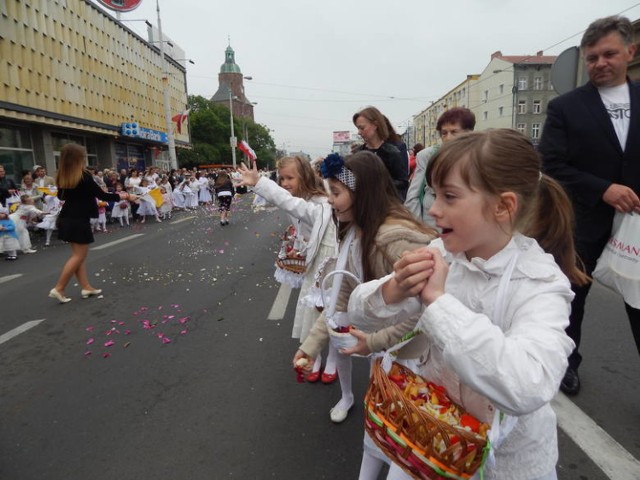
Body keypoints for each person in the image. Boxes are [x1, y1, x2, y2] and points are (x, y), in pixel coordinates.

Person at [348, 129, 588, 479]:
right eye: (433, 194)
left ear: (503, 206)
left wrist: (438, 303)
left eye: (449, 196)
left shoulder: (541, 283)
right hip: (428, 441)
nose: (433, 210)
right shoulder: (440, 253)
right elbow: (359, 314)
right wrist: (393, 290)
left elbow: (527, 384)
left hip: (505, 464)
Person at [292, 151, 437, 427]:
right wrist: (310, 347)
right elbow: (341, 295)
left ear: (362, 192)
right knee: (379, 433)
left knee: (400, 438)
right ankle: (348, 398)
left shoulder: (393, 241)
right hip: (387, 348)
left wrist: (374, 342)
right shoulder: (355, 230)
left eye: (335, 192)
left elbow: (427, 309)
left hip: (411, 357)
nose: (330, 201)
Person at [539, 15, 640, 396]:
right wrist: (603, 189)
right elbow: (552, 164)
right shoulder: (566, 107)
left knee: (639, 299)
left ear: (630, 52)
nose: (600, 63)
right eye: (592, 57)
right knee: (573, 295)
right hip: (584, 219)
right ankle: (567, 363)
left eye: (609, 54)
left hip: (637, 222)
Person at [238, 156, 338, 383]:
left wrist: (259, 182)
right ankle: (317, 357)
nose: (284, 183)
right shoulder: (298, 197)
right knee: (314, 313)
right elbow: (302, 229)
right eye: (281, 178)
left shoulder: (322, 201)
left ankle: (332, 358)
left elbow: (291, 205)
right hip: (312, 265)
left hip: (330, 264)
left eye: (290, 177)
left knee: (330, 314)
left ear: (305, 176)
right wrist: (300, 249)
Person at [49, 143, 136, 303]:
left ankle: (86, 287)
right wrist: (125, 196)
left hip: (67, 218)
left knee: (78, 256)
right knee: (78, 256)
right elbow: (102, 195)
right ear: (78, 158)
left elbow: (61, 197)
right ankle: (59, 288)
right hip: (78, 219)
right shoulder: (83, 176)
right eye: (83, 156)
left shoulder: (63, 175)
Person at [405, 107, 476, 227]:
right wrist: (418, 228)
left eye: (454, 132)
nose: (448, 138)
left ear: (469, 133)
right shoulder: (427, 156)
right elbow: (413, 196)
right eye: (444, 133)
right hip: (432, 226)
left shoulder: (479, 157)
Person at [352, 107, 408, 200]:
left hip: (387, 204)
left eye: (362, 128)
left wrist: (381, 185)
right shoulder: (358, 153)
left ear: (375, 125)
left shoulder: (391, 152)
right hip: (364, 204)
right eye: (358, 128)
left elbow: (403, 182)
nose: (359, 132)